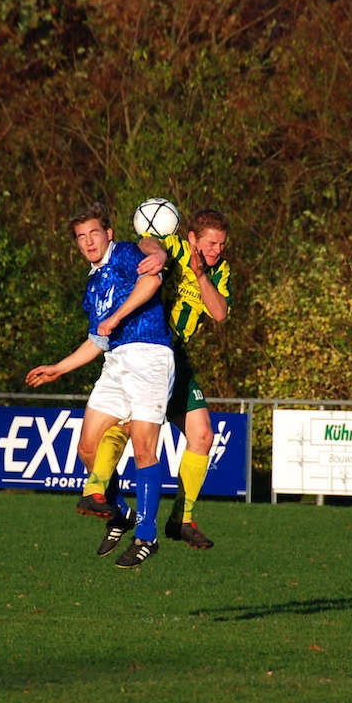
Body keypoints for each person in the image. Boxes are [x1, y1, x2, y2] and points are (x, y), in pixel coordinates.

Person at [26, 204, 173, 568]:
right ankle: (120, 513)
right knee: (87, 447)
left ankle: (147, 534)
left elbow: (152, 279)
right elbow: (98, 339)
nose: (89, 242)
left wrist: (118, 315)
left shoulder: (123, 253)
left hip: (149, 355)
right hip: (116, 361)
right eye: (81, 237)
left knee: (143, 448)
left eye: (94, 233)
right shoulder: (93, 284)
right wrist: (58, 369)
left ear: (108, 233)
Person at [79, 207, 233, 551]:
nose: (217, 250)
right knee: (125, 428)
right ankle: (113, 504)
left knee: (203, 436)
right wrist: (160, 255)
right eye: (211, 243)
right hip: (148, 352)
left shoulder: (219, 270)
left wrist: (201, 276)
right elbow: (147, 243)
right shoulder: (173, 247)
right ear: (191, 238)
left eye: (222, 244)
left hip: (177, 359)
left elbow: (220, 313)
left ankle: (181, 519)